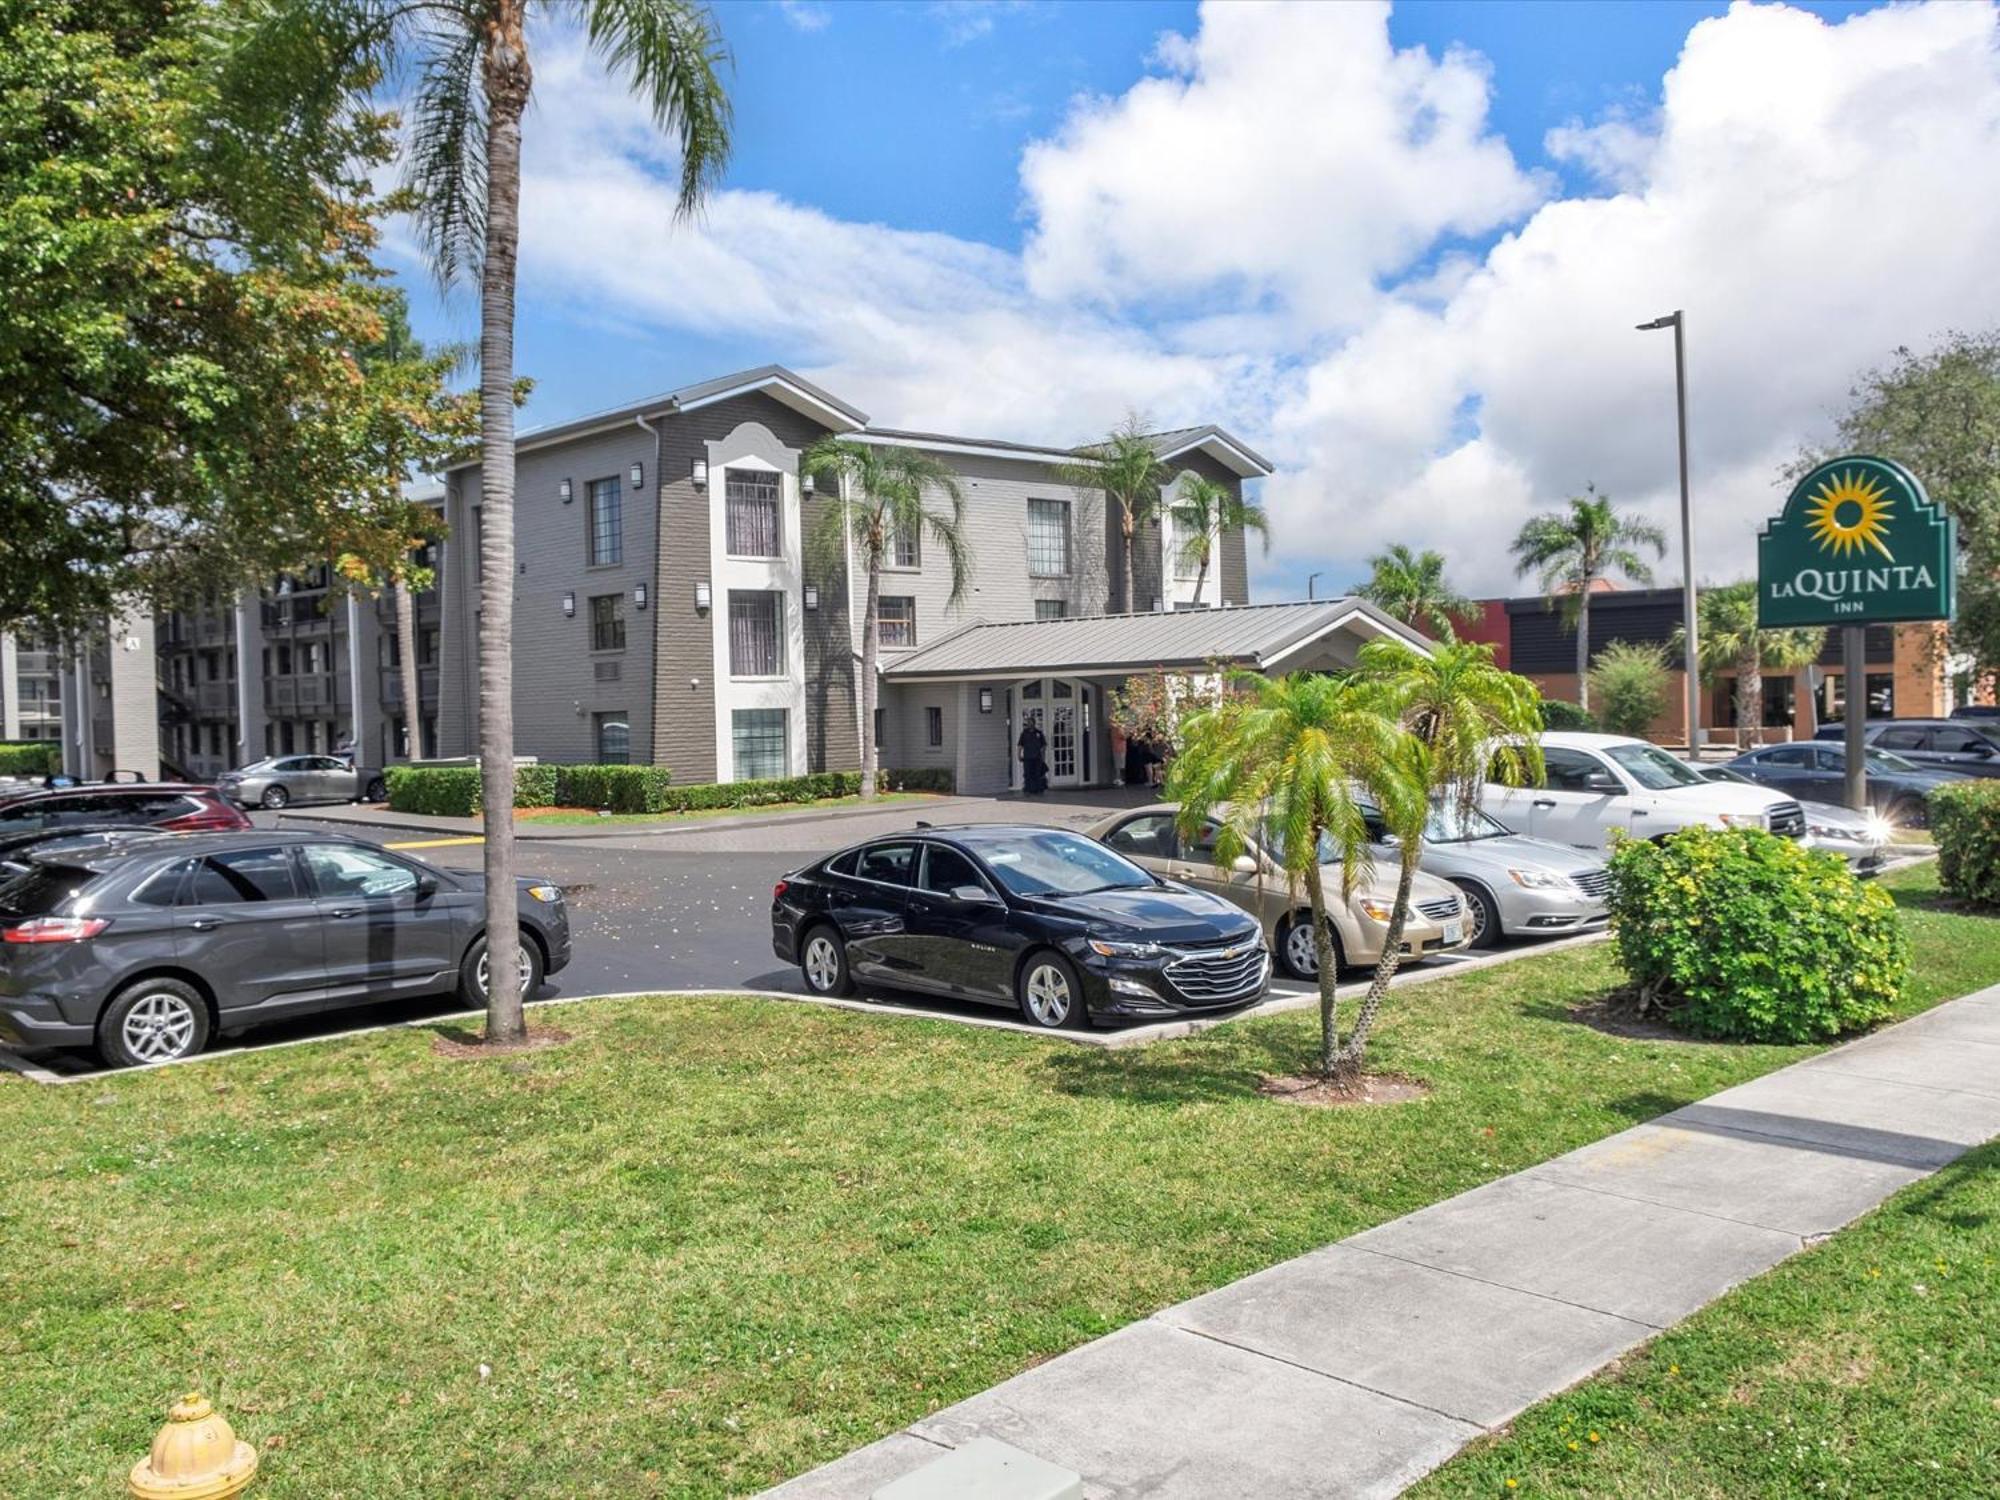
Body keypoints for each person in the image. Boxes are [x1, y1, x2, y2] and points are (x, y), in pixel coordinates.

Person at [1018, 719, 1049, 796]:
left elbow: (1044, 746)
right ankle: (1028, 789)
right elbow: (1020, 745)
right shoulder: (1024, 733)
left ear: (1034, 724)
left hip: (1037, 757)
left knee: (1037, 774)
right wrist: (1019, 755)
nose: (1029, 724)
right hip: (1027, 757)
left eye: (1031, 723)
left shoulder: (1039, 733)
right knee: (1027, 774)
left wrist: (1043, 757)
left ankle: (1038, 789)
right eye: (1028, 723)